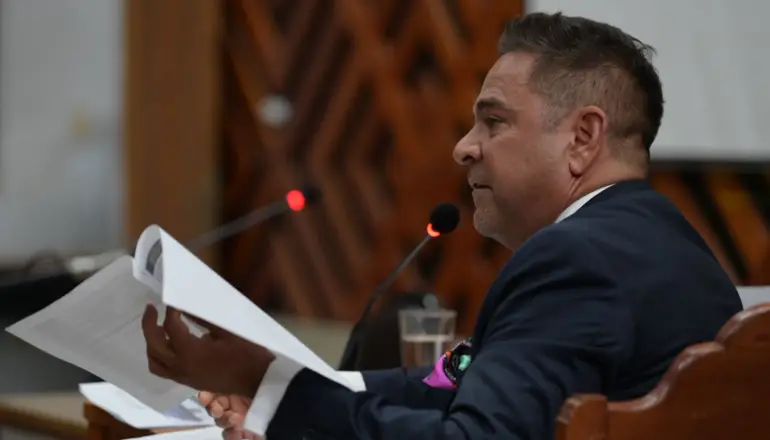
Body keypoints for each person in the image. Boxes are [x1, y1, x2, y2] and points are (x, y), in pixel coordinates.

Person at [141, 12, 743, 440]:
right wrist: (274, 379)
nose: (463, 148)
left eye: (494, 122)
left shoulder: (574, 261)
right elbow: (449, 382)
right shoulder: (672, 246)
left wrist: (275, 396)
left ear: (583, 137)